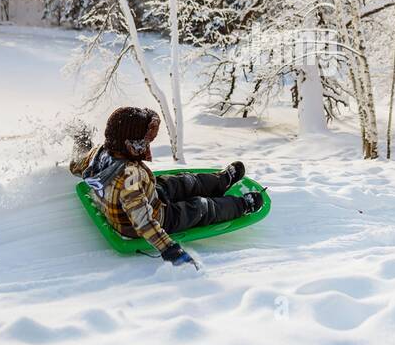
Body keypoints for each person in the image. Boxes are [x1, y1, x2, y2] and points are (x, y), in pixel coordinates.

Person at [69, 106, 264, 268]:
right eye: (145, 141)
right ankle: (241, 205)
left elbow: (76, 166)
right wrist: (168, 249)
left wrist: (81, 143)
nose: (147, 145)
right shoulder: (129, 177)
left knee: (179, 182)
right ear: (131, 144)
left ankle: (221, 181)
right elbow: (142, 219)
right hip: (148, 220)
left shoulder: (98, 154)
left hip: (147, 197)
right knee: (199, 208)